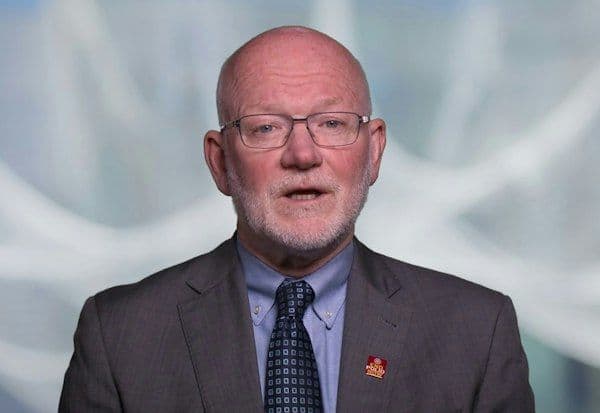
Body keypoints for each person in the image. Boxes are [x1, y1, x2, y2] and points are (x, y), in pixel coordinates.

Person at [59, 26, 535, 412]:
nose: (303, 155)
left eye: (332, 123)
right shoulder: (120, 336)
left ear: (374, 152)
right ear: (220, 161)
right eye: (266, 127)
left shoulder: (476, 332)